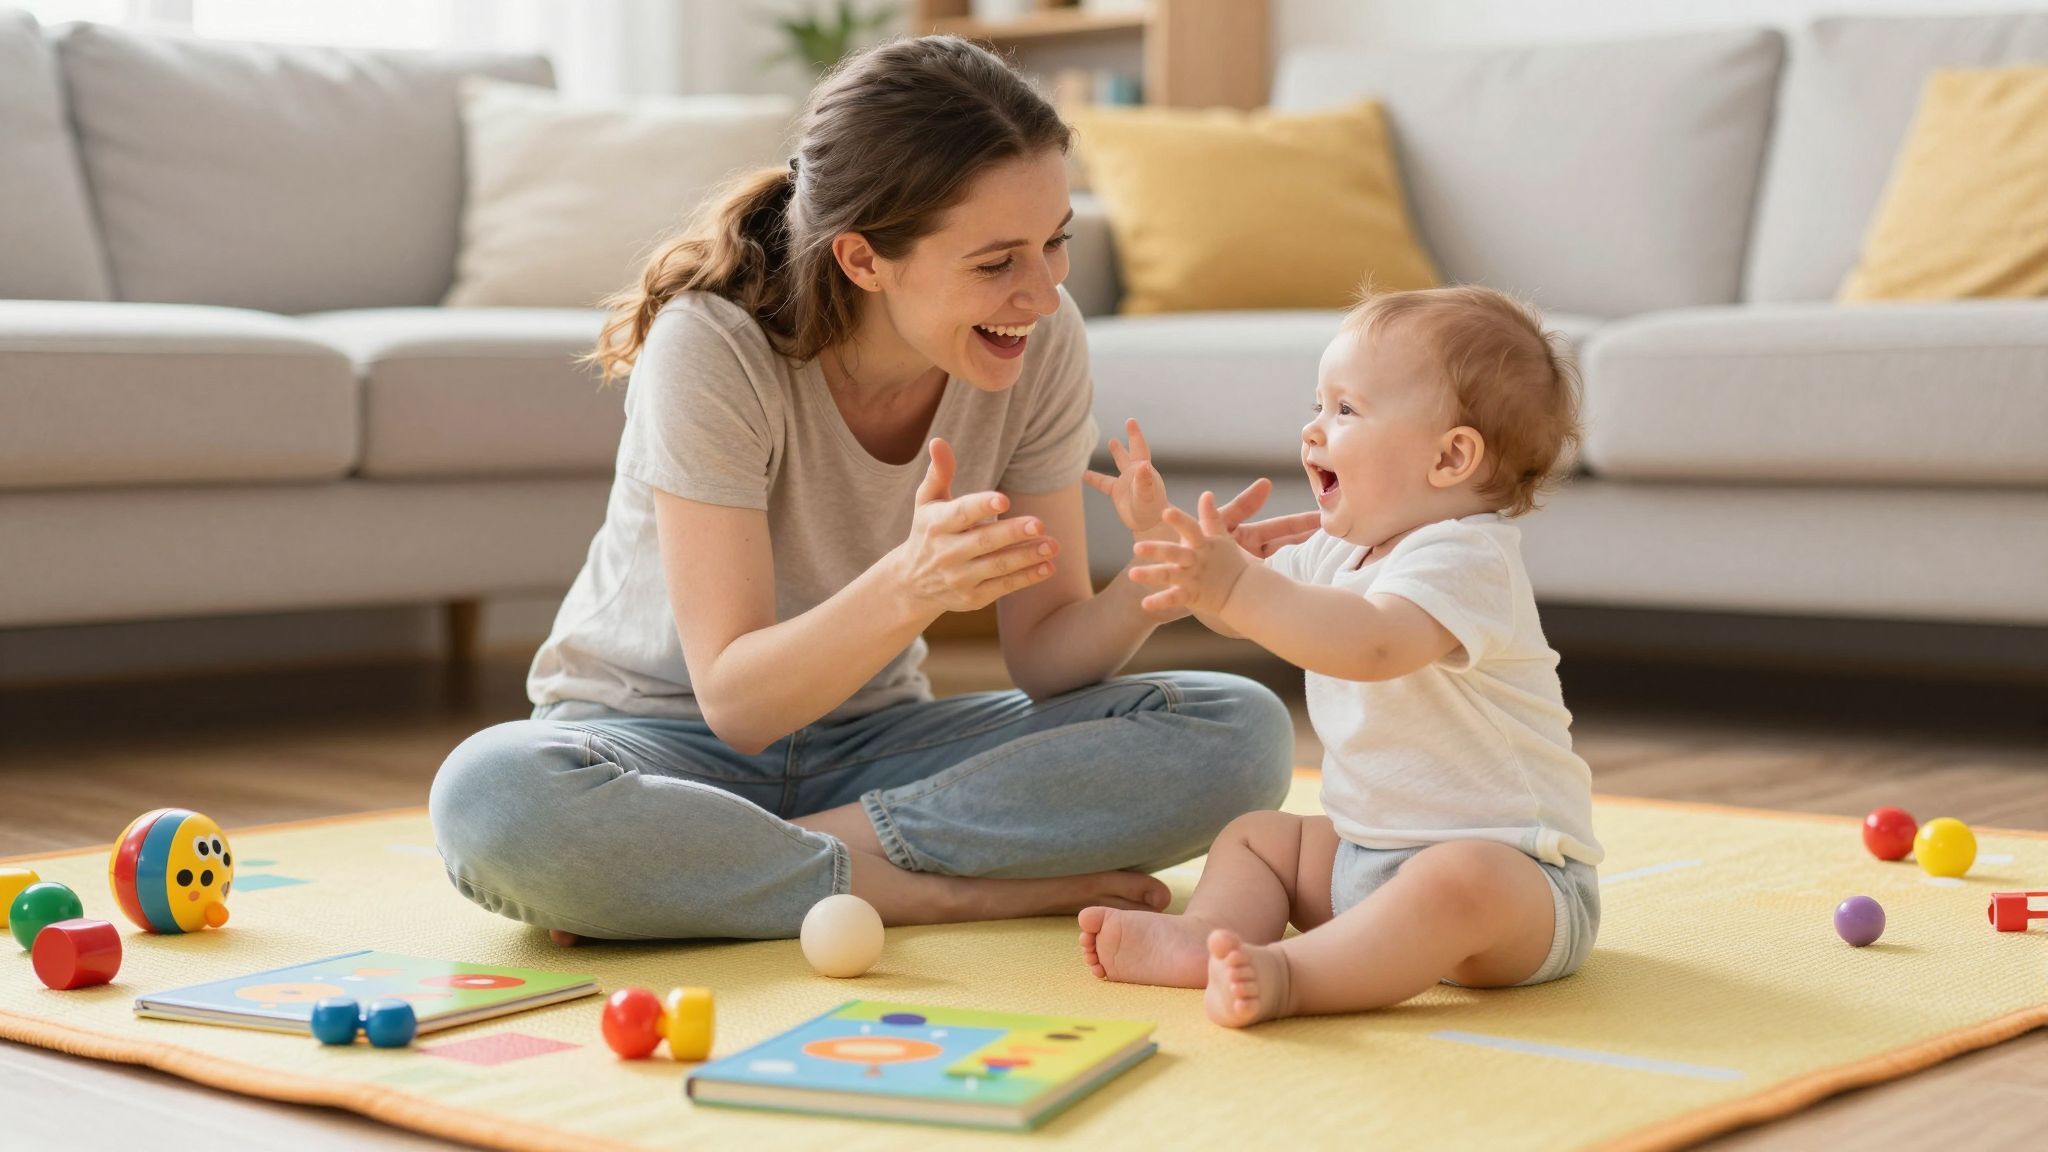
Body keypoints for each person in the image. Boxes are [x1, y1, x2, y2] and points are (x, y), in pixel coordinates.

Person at [428, 35, 1316, 942]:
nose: (1044, 294)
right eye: (997, 261)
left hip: (878, 750)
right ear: (862, 259)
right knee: (494, 798)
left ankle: (727, 869)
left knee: (1240, 731)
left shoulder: (1039, 341)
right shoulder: (713, 343)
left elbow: (1047, 659)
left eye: (1055, 244)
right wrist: (913, 584)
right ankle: (926, 891)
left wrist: (1153, 585)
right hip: (653, 741)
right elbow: (738, 704)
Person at [1077, 285, 1603, 1026]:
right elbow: (1250, 618)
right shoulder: (1339, 551)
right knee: (1257, 837)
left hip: (1522, 889)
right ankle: (1208, 939)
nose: (1313, 432)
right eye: (1316, 405)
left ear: (1451, 456)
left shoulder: (1466, 557)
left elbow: (1373, 642)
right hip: (1366, 859)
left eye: (1345, 410)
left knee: (1460, 879)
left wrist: (1240, 583)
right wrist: (1187, 554)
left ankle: (1292, 976)